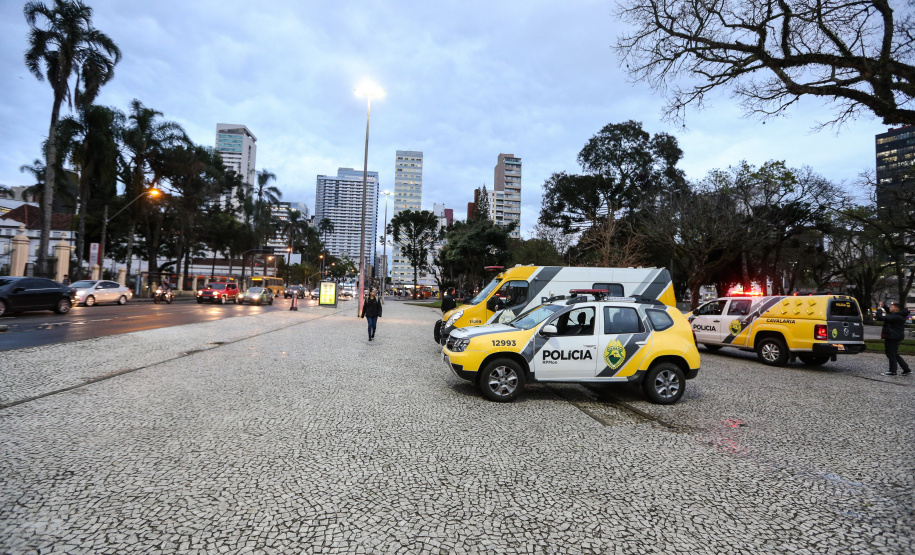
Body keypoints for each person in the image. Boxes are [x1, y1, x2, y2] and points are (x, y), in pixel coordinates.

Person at [875, 301, 911, 376]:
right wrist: (884, 306)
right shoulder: (899, 315)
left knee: (890, 354)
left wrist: (879, 309)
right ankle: (906, 369)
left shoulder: (895, 316)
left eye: (892, 307)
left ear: (896, 309)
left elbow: (880, 317)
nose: (890, 308)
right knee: (894, 354)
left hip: (892, 336)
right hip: (896, 336)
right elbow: (889, 311)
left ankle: (892, 371)